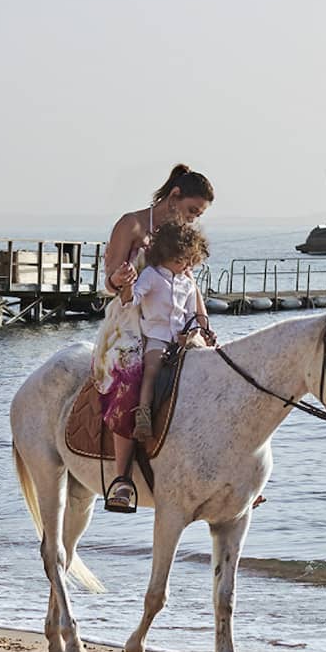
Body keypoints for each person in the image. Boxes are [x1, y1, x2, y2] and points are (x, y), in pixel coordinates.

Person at [93, 164, 215, 514]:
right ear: (174, 196)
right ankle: (121, 480)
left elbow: (189, 283)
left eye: (198, 215)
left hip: (175, 322)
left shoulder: (179, 233)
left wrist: (203, 321)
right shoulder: (131, 224)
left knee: (216, 372)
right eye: (192, 211)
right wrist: (121, 276)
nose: (193, 220)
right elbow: (110, 283)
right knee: (130, 376)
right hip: (130, 318)